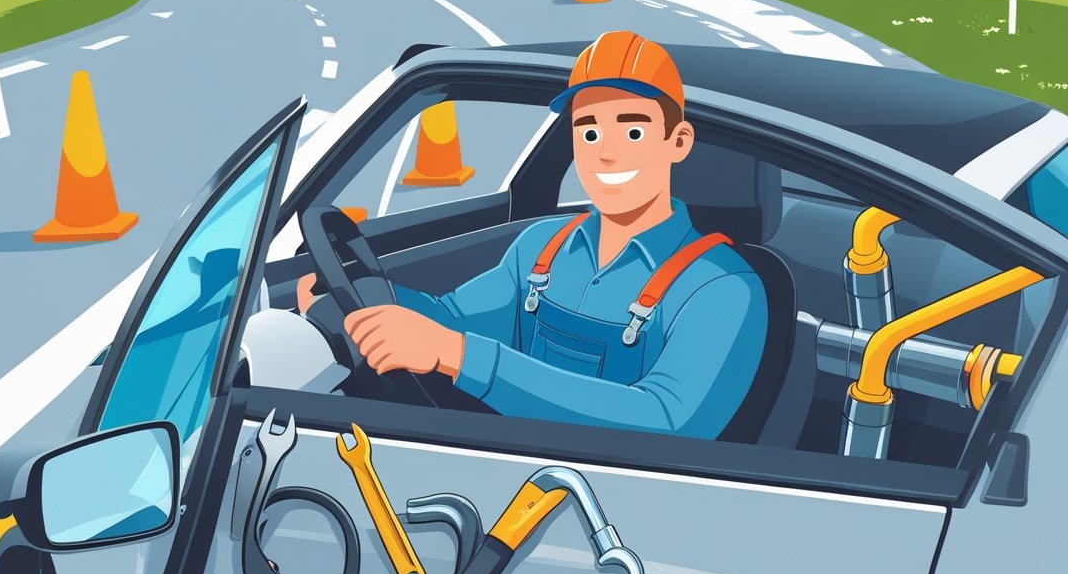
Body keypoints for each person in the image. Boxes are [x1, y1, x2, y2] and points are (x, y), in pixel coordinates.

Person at [298, 31, 767, 438]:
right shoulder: (543, 249)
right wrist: (354, 297)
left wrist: (460, 357)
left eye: (634, 132)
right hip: (511, 473)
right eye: (589, 132)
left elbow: (666, 421)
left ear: (678, 141)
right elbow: (452, 317)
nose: (606, 154)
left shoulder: (723, 288)